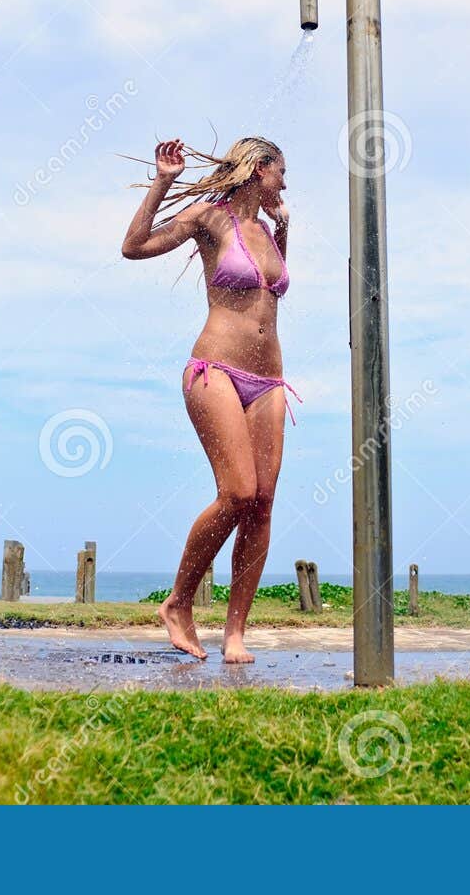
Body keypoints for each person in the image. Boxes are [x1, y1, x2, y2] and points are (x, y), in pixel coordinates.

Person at [120, 135, 299, 662]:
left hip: (269, 381)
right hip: (214, 369)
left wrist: (285, 227)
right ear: (259, 167)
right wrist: (163, 182)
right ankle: (178, 603)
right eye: (281, 172)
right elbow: (134, 246)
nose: (285, 183)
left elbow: (272, 290)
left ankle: (235, 633)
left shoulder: (268, 230)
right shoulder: (209, 218)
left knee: (262, 505)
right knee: (238, 492)